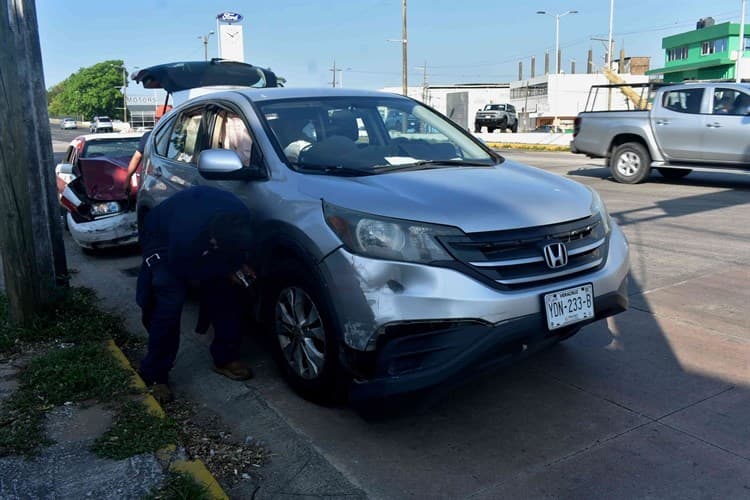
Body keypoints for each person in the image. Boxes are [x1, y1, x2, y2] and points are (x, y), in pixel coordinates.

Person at [136, 185, 257, 402]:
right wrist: (224, 269)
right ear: (212, 239)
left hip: (201, 223)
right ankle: (155, 373)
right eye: (214, 246)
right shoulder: (186, 233)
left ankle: (225, 358)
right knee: (169, 298)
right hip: (163, 239)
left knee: (228, 292)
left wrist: (239, 265)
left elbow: (233, 249)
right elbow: (184, 266)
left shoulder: (242, 216)